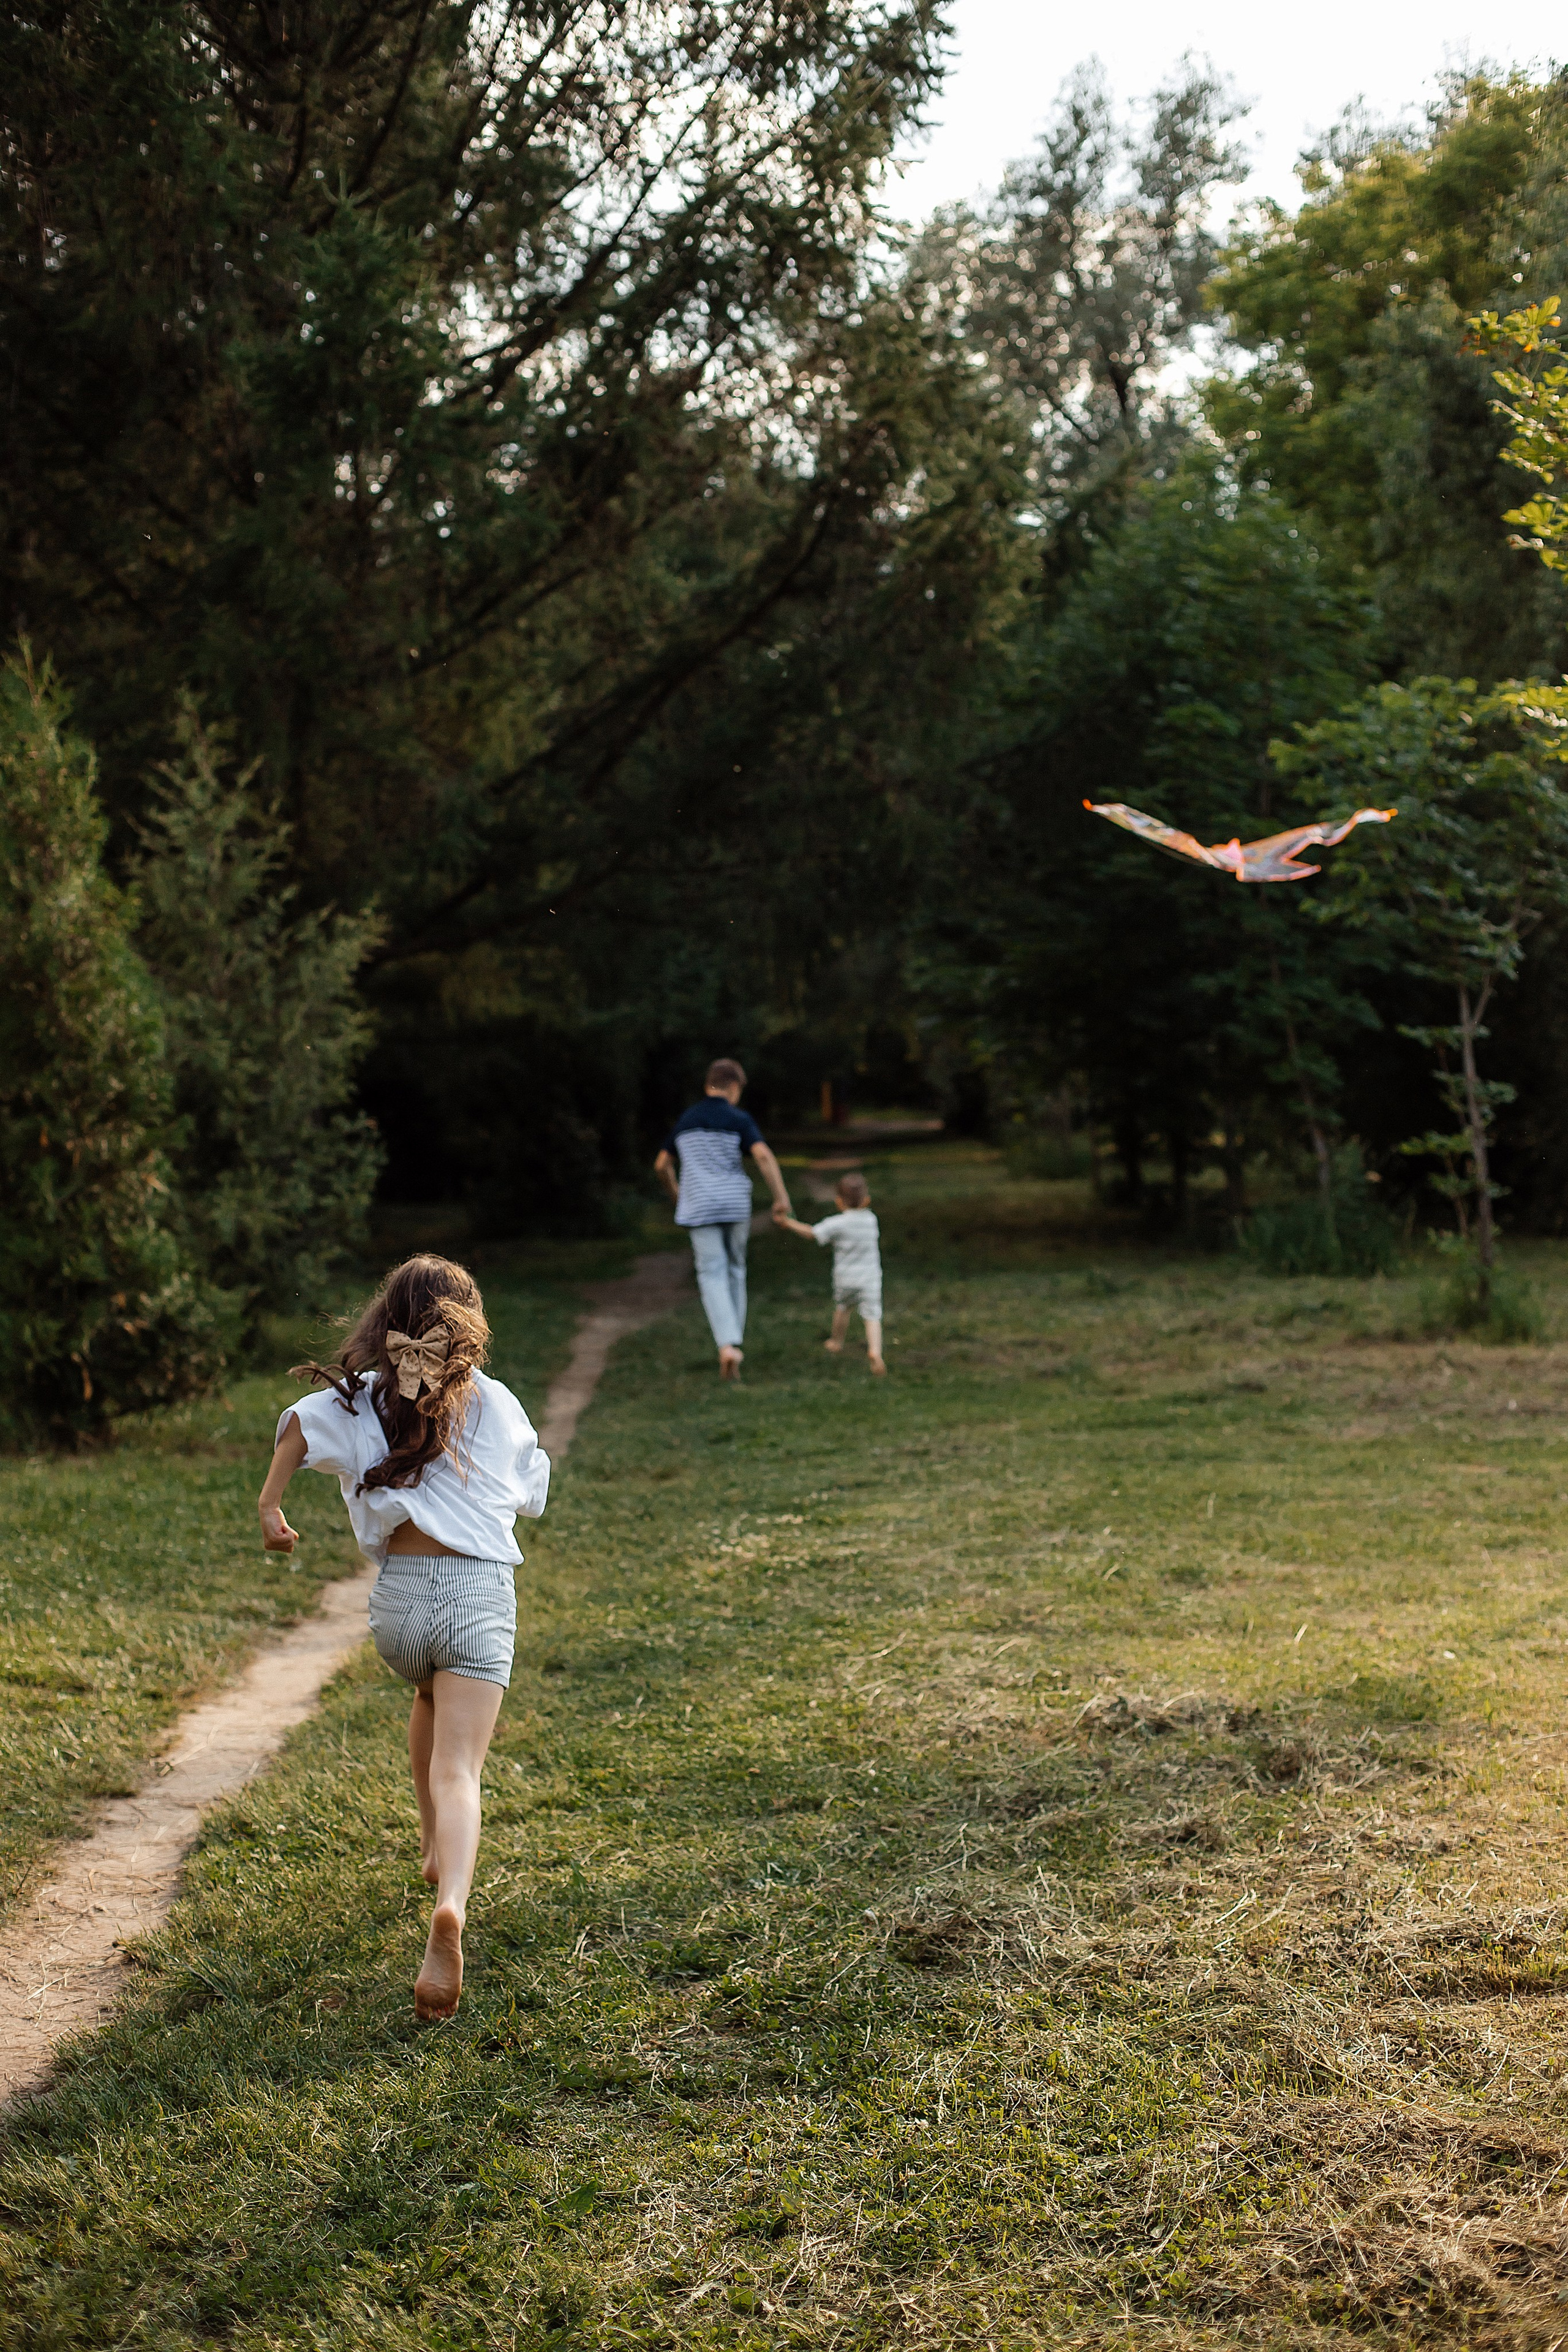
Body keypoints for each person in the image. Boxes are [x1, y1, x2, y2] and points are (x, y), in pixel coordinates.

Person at [255, 1254, 549, 2021]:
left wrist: (270, 1509)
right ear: (467, 1327)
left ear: (384, 1324)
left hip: (401, 1610)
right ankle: (450, 1903)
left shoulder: (361, 1400)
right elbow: (533, 1489)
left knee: (424, 1689)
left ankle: (427, 1845)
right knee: (461, 1770)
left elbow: (295, 1427)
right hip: (478, 1596)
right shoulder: (494, 1401)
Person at [654, 1057, 793, 1379]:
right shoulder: (738, 1119)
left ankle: (727, 1345)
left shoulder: (687, 1120)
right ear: (734, 1087)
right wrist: (781, 1197)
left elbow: (661, 1165)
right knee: (736, 1269)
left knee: (711, 1273)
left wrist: (678, 1194)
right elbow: (762, 1155)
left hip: (700, 1207)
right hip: (734, 1205)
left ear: (708, 1086)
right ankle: (735, 1342)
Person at [774, 1169, 886, 1374]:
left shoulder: (837, 1224)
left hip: (845, 1279)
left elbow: (812, 1233)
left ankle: (836, 1341)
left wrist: (788, 1222)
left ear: (839, 1202)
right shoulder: (871, 1220)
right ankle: (875, 1352)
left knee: (843, 1308)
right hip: (870, 1279)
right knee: (872, 1316)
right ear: (867, 1200)